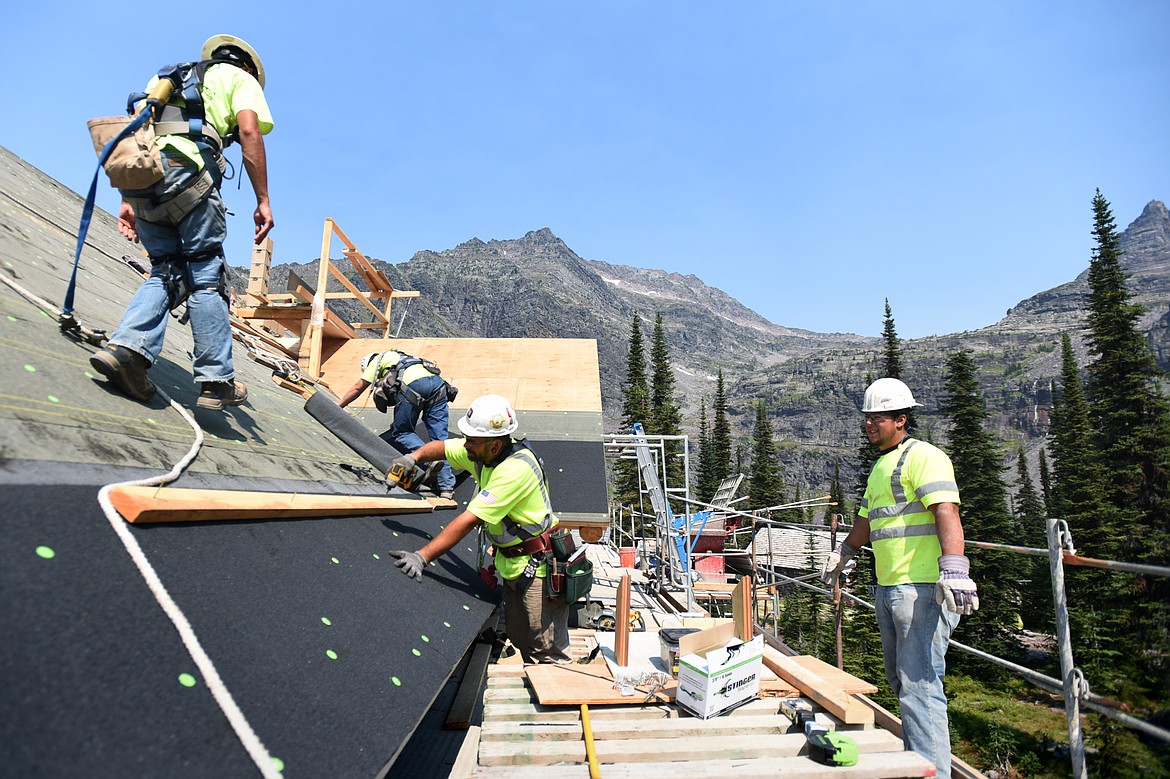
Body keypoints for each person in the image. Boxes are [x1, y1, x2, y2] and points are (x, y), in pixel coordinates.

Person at [90, 34, 274, 411]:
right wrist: (263, 200)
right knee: (206, 274)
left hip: (144, 177)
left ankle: (127, 351)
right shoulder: (242, 81)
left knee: (166, 270)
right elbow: (249, 131)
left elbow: (138, 134)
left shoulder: (169, 78)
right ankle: (216, 381)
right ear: (247, 67)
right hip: (190, 174)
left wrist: (126, 199)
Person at [821, 377, 978, 778]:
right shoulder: (880, 467)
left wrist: (955, 568)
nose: (870, 424)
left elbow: (946, 511)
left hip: (923, 588)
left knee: (920, 683)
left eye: (879, 418)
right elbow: (867, 519)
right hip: (890, 587)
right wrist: (846, 551)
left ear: (902, 419)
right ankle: (918, 762)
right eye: (868, 417)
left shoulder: (925, 456)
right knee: (901, 680)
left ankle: (933, 772)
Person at [386, 394, 571, 664]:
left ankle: (558, 697)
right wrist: (412, 458)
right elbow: (442, 448)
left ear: (495, 445)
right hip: (515, 565)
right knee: (522, 638)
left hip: (538, 570)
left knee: (545, 648)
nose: (466, 445)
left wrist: (422, 556)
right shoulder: (482, 452)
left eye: (471, 440)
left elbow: (468, 519)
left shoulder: (513, 471)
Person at [337, 349, 455, 499]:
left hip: (413, 385)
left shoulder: (377, 361)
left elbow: (358, 387)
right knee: (440, 440)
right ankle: (447, 488)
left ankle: (430, 459)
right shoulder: (406, 359)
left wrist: (337, 406)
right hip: (438, 385)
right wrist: (398, 420)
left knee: (402, 433)